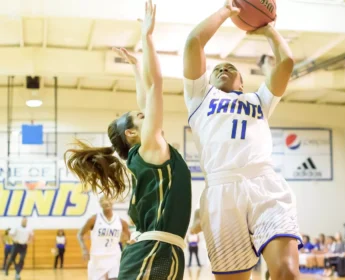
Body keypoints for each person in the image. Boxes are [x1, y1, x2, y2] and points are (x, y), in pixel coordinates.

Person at [64, 1, 191, 279]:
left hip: (155, 249)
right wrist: (147, 38)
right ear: (132, 134)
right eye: (141, 116)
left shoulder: (148, 152)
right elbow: (154, 85)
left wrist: (135, 68)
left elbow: (146, 94)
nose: (149, 115)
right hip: (154, 251)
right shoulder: (149, 149)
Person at [182, 0, 301, 278]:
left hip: (264, 186)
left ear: (242, 82)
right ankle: (202, 213)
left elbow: (287, 62)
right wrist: (227, 11)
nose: (223, 69)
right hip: (222, 192)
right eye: (217, 69)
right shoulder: (201, 97)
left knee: (287, 271)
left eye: (230, 68)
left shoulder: (258, 99)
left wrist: (269, 30)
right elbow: (193, 42)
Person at [77, 195, 130, 280]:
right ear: (100, 204)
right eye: (103, 201)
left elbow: (129, 238)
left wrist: (127, 250)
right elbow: (80, 234)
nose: (106, 203)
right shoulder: (93, 219)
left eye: (108, 200)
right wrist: (84, 249)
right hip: (97, 258)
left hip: (114, 256)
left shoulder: (121, 221)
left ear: (113, 202)